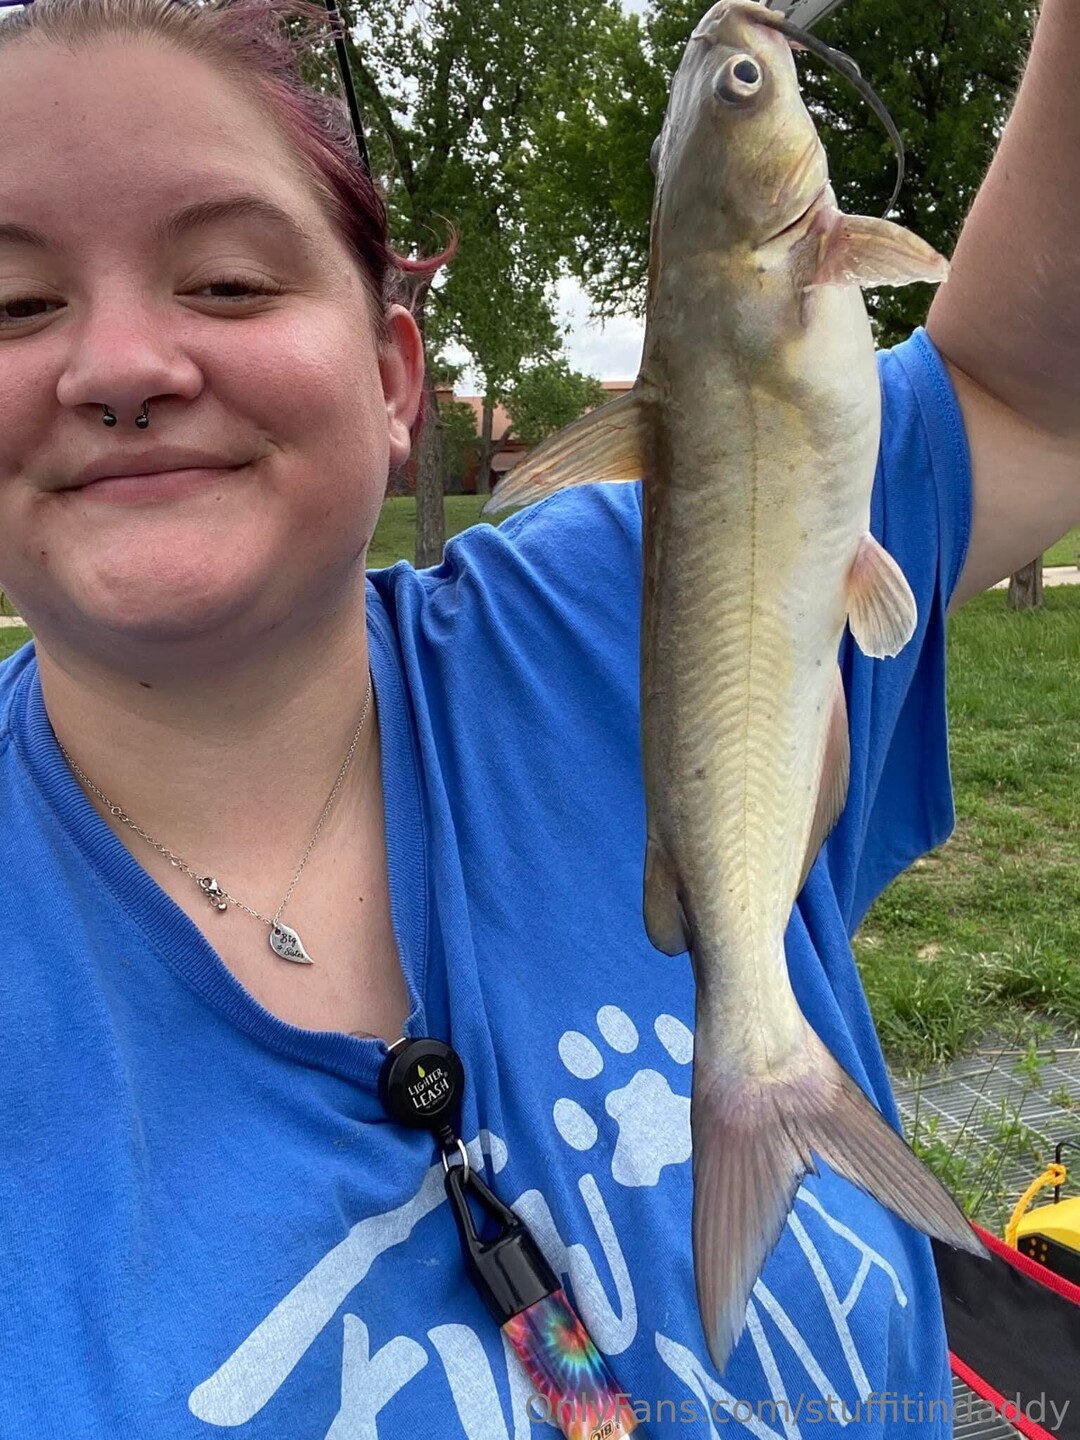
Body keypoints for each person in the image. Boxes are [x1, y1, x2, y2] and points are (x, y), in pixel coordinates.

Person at [0, 0, 1076, 1434]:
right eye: (14, 306)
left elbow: (1030, 393)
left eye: (230, 282)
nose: (124, 366)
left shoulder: (621, 593)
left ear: (395, 378)